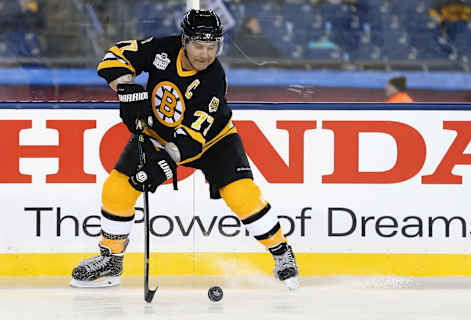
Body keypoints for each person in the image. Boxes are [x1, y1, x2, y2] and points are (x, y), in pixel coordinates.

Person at [70, 9, 299, 290]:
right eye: (199, 46)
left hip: (214, 141)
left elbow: (191, 141)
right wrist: (126, 88)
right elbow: (113, 57)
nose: (205, 54)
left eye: (212, 47)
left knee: (242, 194)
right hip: (158, 134)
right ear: (184, 40)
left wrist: (162, 167)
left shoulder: (214, 79)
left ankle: (281, 252)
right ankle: (111, 261)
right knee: (117, 189)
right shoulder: (161, 49)